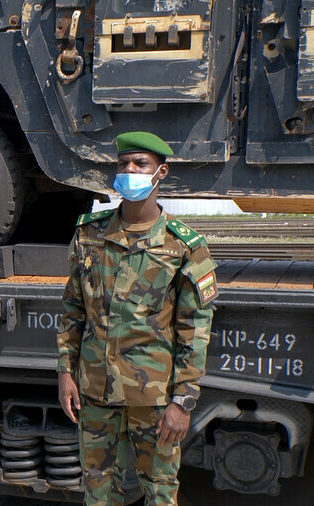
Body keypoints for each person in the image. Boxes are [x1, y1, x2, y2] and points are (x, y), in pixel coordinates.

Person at [56, 131, 218, 505]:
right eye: (123, 163)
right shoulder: (89, 234)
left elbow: (195, 330)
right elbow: (73, 309)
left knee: (160, 492)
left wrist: (184, 402)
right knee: (97, 490)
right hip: (95, 391)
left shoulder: (184, 246)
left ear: (161, 171)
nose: (129, 170)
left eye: (140, 164)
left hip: (155, 397)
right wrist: (66, 371)